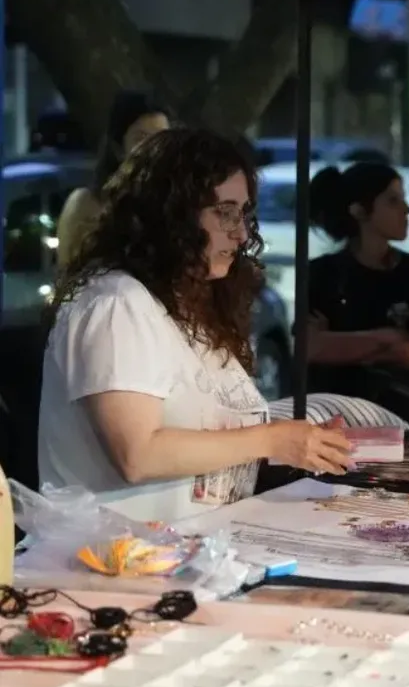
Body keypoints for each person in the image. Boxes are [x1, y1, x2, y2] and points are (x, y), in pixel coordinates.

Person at [40, 128, 351, 522]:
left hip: (190, 556)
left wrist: (302, 443)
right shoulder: (116, 303)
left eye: (244, 214)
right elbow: (137, 455)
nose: (240, 233)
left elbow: (217, 442)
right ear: (172, 215)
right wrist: (272, 439)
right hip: (106, 561)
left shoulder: (190, 306)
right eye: (224, 212)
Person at [306, 162, 409, 429]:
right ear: (359, 211)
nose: (407, 209)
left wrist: (343, 346)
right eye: (393, 201)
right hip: (335, 419)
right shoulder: (323, 274)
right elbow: (312, 348)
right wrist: (387, 337)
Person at [57, 91, 172, 271]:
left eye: (162, 138)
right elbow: (70, 282)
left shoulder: (178, 206)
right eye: (141, 138)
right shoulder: (87, 206)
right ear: (118, 148)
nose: (154, 148)